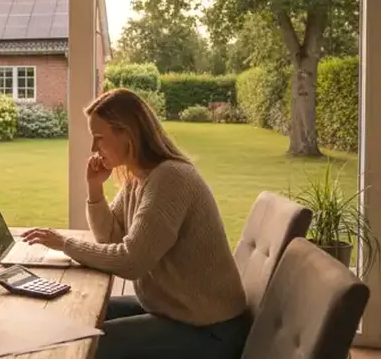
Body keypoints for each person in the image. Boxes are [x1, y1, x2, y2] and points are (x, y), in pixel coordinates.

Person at [22, 88, 250, 359]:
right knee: (73, 314)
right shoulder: (138, 178)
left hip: (209, 330)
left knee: (85, 343)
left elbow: (131, 261)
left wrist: (64, 244)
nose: (94, 149)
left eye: (99, 138)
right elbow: (109, 239)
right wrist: (95, 189)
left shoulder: (171, 178)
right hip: (170, 309)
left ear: (127, 134)